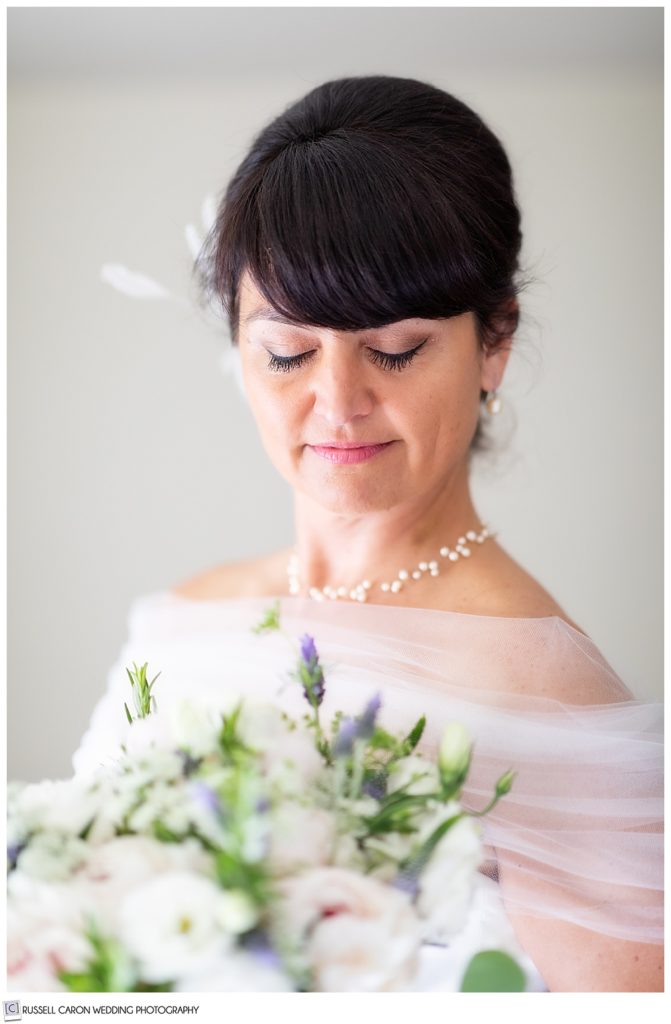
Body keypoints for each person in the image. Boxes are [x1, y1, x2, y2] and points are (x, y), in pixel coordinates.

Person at [73, 76, 663, 992]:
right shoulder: (180, 622)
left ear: (493, 340)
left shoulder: (550, 699)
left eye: (394, 348)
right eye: (287, 352)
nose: (339, 405)